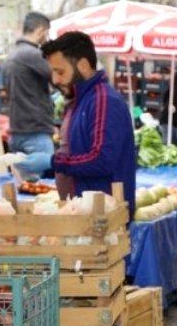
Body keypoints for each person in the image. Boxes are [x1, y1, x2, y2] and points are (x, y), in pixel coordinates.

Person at [42, 31, 137, 211]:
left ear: (83, 66)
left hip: (103, 218)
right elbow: (76, 151)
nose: (55, 80)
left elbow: (102, 160)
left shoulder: (104, 100)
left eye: (60, 72)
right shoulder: (79, 101)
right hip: (83, 214)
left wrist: (53, 162)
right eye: (53, 72)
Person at [1, 11, 56, 179]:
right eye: (47, 33)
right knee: (44, 192)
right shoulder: (33, 55)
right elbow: (60, 77)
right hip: (36, 133)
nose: (47, 38)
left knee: (26, 189)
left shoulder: (10, 56)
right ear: (40, 31)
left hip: (16, 131)